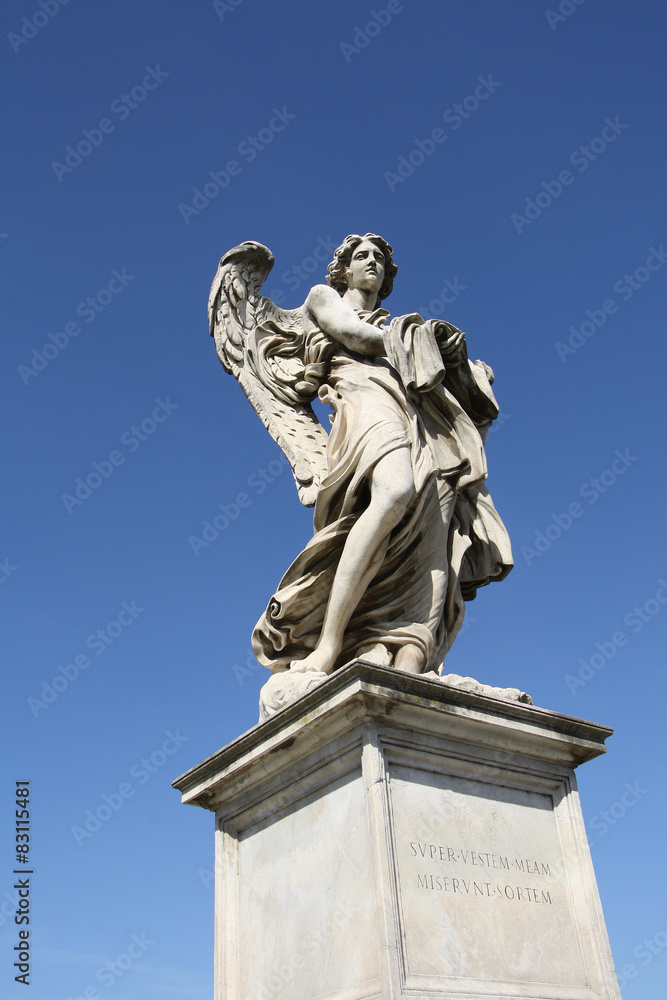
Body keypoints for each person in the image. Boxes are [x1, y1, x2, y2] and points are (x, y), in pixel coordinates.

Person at [252, 234, 512, 677]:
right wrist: (424, 340)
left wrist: (461, 366)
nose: (372, 262)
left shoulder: (395, 329)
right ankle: (329, 643)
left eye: (379, 258)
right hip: (363, 403)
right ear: (344, 270)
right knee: (394, 492)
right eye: (362, 256)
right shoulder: (323, 299)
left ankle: (411, 650)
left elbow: (432, 376)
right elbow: (357, 336)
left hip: (416, 415)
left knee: (435, 526)